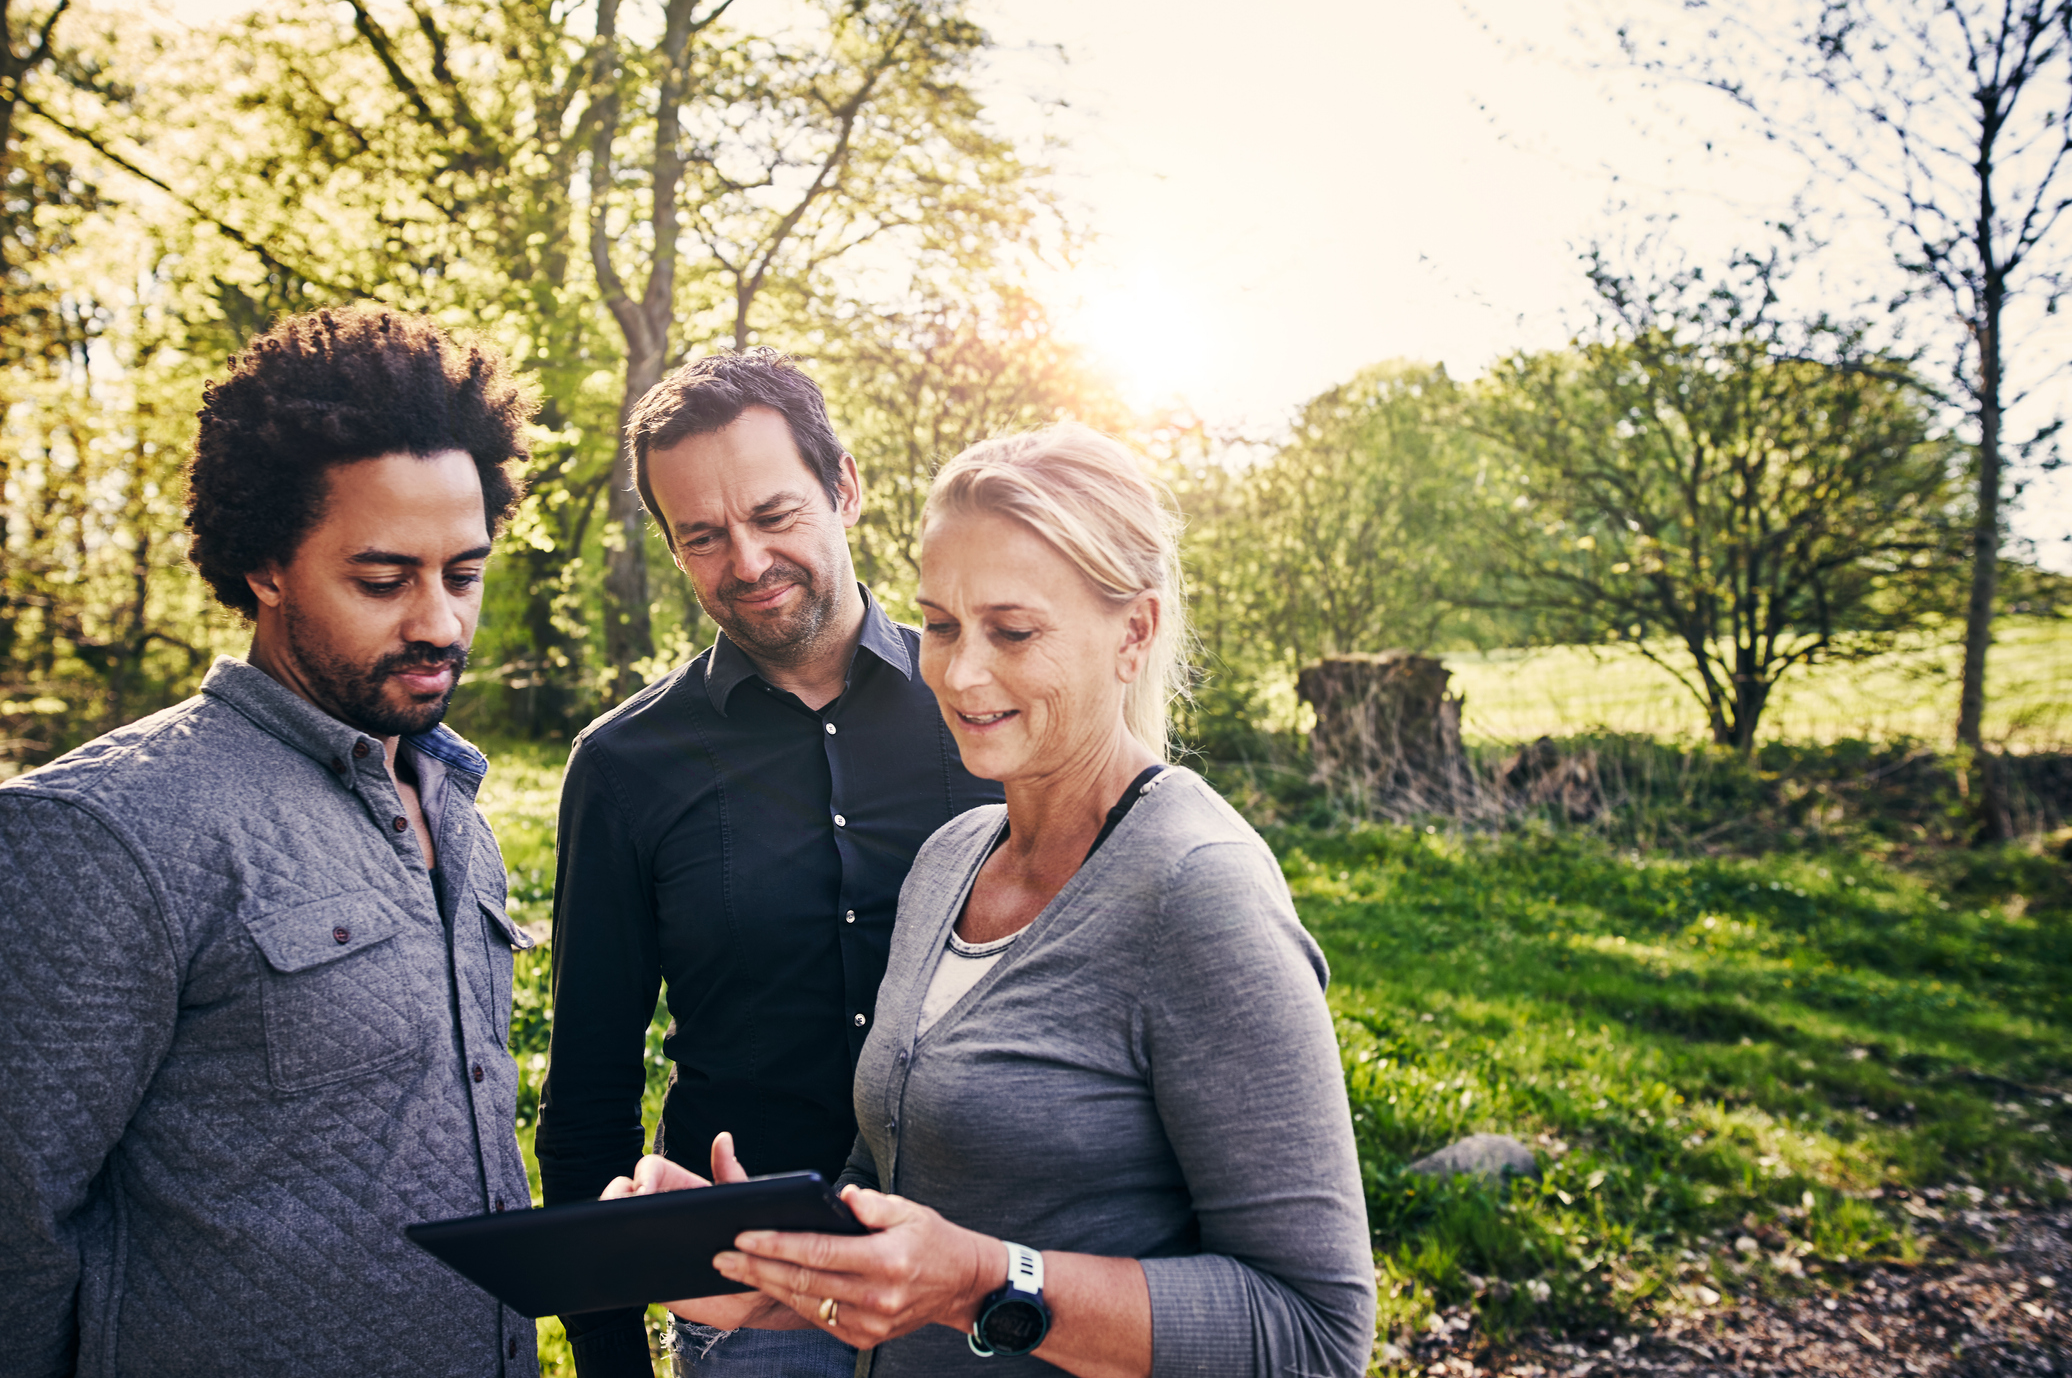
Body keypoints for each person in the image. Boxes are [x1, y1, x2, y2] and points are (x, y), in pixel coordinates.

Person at [607, 422, 1378, 1376]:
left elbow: (1313, 1333)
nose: (961, 674)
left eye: (1012, 631)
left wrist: (981, 1279)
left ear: (1132, 632)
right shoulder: (952, 861)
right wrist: (775, 1266)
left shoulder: (1196, 887)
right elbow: (898, 1206)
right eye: (940, 625)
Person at [0, 307, 540, 1377]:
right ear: (264, 567)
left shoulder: (454, 800)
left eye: (464, 574)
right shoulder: (100, 832)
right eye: (383, 580)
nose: (439, 622)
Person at [535, 349, 1000, 1378]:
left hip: (977, 1278)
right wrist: (611, 1361)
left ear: (843, 487)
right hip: (744, 1302)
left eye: (774, 515)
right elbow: (588, 1097)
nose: (744, 562)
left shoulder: (986, 707)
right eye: (702, 536)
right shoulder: (619, 769)